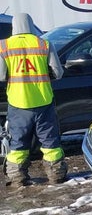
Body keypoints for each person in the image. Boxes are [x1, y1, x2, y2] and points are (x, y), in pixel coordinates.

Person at [0, 11, 66, 187]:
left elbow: (0, 75)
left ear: (14, 26)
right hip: (44, 100)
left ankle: (17, 178)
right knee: (50, 141)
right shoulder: (44, 44)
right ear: (31, 24)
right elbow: (58, 73)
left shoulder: (3, 46)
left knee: (18, 142)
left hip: (18, 102)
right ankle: (56, 175)